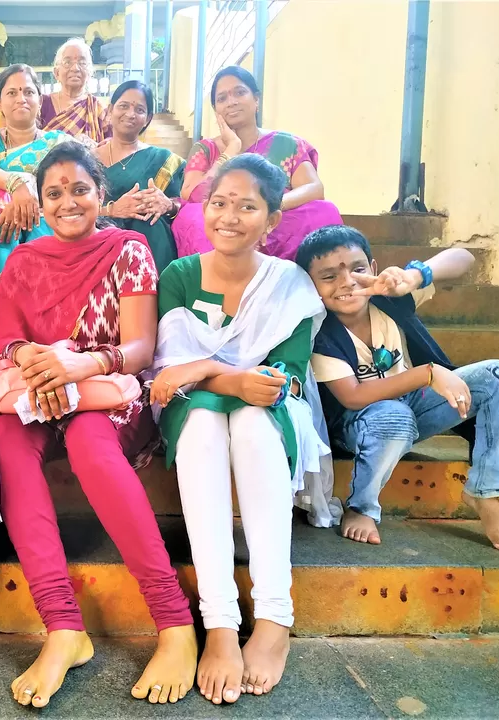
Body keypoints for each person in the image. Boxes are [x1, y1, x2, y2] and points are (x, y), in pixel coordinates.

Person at [0, 142, 197, 708]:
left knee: (89, 443)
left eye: (80, 189)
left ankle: (175, 622)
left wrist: (82, 365)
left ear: (101, 194)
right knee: (6, 439)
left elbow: (140, 347)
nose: (67, 202)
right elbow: (3, 339)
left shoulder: (128, 249)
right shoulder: (24, 260)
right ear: (40, 201)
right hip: (40, 389)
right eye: (53, 193)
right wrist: (37, 362)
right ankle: (62, 627)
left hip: (107, 392)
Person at [151, 154, 333, 705]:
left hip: (267, 409)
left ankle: (275, 617)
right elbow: (170, 374)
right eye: (219, 203)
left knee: (252, 423)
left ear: (272, 220)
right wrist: (222, 376)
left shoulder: (288, 283)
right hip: (193, 405)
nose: (228, 217)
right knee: (204, 424)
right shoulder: (179, 275)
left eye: (247, 206)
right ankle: (221, 623)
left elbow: (285, 377)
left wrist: (214, 372)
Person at [297, 225, 499, 549]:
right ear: (311, 285)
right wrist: (427, 374)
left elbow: (463, 259)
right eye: (329, 276)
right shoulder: (319, 331)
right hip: (360, 425)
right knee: (394, 415)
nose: (347, 282)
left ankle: (484, 491)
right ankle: (361, 507)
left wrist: (415, 276)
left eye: (358, 269)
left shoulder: (391, 299)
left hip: (417, 406)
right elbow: (353, 396)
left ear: (373, 268)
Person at [172, 66, 341, 261]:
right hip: (226, 222)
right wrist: (231, 148)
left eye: (240, 92)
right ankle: (217, 276)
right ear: (216, 110)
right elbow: (193, 194)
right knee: (193, 215)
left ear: (256, 99)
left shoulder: (286, 144)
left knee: (325, 211)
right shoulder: (205, 149)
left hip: (279, 222)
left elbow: (314, 188)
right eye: (222, 98)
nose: (232, 102)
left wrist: (264, 210)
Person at [0, 64, 73, 276]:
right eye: (12, 93)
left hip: (44, 218)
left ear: (40, 101)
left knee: (44, 228)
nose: (21, 99)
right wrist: (17, 185)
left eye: (29, 92)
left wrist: (26, 207)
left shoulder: (58, 143)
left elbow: (71, 182)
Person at [94, 80, 184, 273]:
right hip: (98, 243)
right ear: (110, 110)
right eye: (123, 106)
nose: (130, 114)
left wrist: (168, 205)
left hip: (153, 247)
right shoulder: (86, 160)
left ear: (148, 118)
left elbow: (186, 202)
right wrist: (111, 209)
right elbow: (73, 206)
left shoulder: (163, 159)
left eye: (139, 110)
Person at [39, 38, 111, 147]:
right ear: (56, 72)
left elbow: (110, 146)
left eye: (82, 63)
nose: (75, 68)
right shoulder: (42, 104)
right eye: (67, 62)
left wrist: (92, 145)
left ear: (90, 72)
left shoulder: (98, 109)